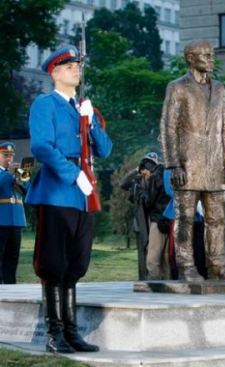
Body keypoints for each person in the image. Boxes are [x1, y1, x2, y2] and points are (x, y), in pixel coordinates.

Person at [26, 45, 112, 353]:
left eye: (78, 66)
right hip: (58, 189)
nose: (77, 70)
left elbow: (105, 149)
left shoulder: (82, 107)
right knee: (53, 262)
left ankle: (72, 332)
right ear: (55, 72)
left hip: (82, 195)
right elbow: (41, 146)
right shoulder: (45, 104)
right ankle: (55, 334)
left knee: (76, 263)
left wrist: (91, 122)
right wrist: (72, 173)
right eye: (70, 66)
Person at [160, 39, 225, 282]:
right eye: (205, 55)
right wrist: (173, 163)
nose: (211, 59)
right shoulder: (177, 87)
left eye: (212, 54)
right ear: (191, 59)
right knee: (184, 218)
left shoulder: (219, 88)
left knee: (217, 219)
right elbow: (168, 126)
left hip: (215, 164)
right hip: (187, 164)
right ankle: (186, 267)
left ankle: (218, 266)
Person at [139, 152, 171, 280]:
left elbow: (149, 201)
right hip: (170, 219)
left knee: (153, 252)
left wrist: (145, 197)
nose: (145, 178)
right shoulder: (168, 173)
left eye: (145, 174)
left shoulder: (154, 178)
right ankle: (168, 279)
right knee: (167, 255)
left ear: (148, 168)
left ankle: (154, 277)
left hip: (157, 219)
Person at [0, 142, 27, 284]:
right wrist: (9, 174)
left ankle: (11, 286)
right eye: (5, 155)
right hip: (1, 220)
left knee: (12, 258)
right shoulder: (4, 174)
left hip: (16, 221)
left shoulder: (17, 173)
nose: (8, 159)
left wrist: (22, 175)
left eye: (10, 155)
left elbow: (30, 190)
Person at [119, 164, 149, 280]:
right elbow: (123, 184)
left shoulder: (157, 179)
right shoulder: (137, 182)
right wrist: (135, 170)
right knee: (142, 254)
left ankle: (158, 279)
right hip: (140, 221)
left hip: (155, 220)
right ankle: (143, 279)